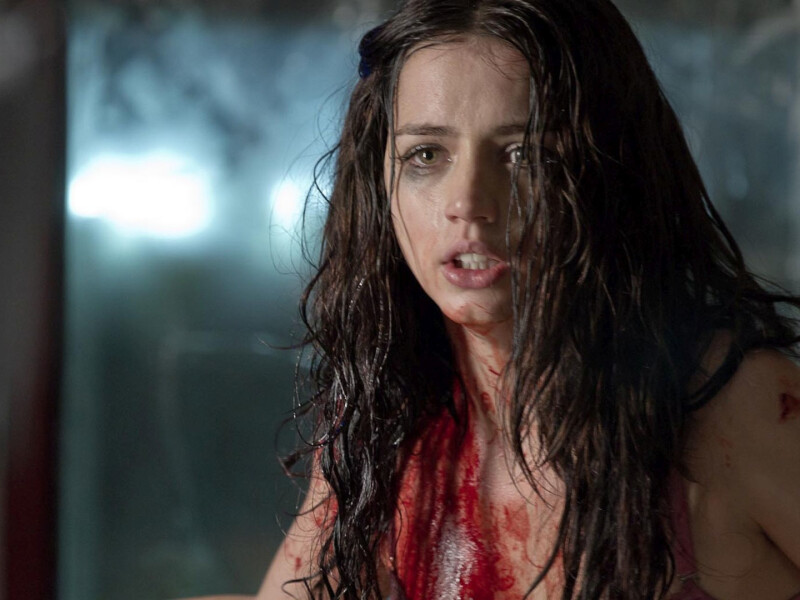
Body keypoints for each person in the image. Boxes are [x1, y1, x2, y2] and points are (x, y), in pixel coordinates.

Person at [193, 0, 800, 598]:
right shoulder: (389, 422)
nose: (469, 202)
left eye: (524, 154)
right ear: (380, 187)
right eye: (426, 155)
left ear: (613, 171)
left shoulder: (735, 410)